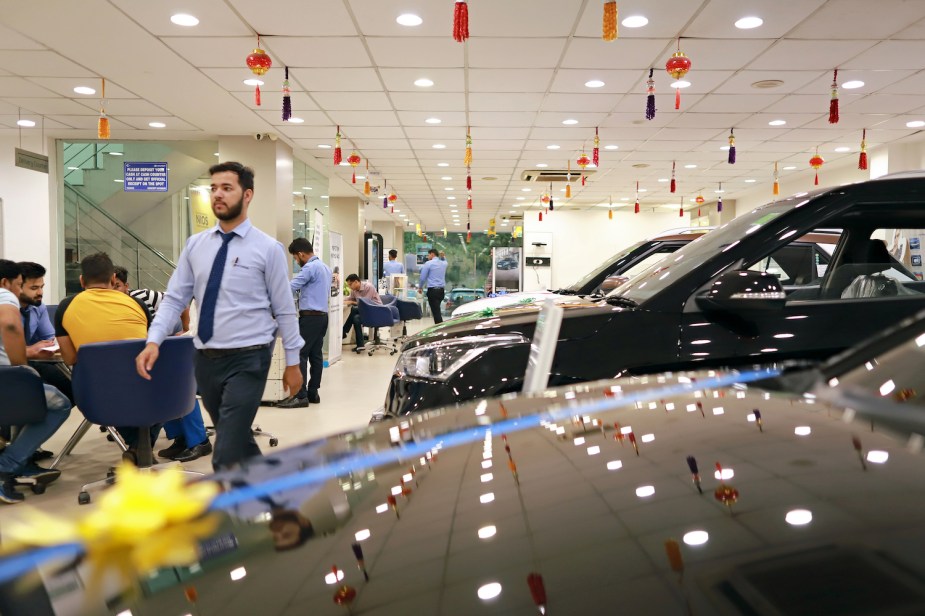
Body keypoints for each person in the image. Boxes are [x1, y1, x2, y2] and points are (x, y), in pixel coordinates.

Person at [136, 161, 303, 471]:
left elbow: (285, 310)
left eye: (227, 188)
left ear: (247, 195)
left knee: (224, 453)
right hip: (205, 359)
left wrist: (293, 362)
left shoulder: (268, 249)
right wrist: (154, 340)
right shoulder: (195, 245)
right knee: (236, 437)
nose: (218, 195)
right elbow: (175, 298)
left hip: (249, 358)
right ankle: (277, 500)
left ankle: (225, 515)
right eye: (213, 188)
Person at [55, 253, 160, 454]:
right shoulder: (137, 304)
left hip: (97, 392)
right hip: (147, 386)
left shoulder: (66, 307)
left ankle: (138, 452)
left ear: (82, 281)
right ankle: (139, 453)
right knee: (148, 396)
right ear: (113, 279)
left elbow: (70, 358)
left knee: (110, 395)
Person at [113, 266, 212, 461]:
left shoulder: (144, 297)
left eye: (116, 286)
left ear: (126, 286)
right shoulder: (111, 306)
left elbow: (180, 304)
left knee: (178, 384)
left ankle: (199, 442)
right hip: (159, 350)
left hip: (188, 350)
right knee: (157, 384)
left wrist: (185, 331)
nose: (112, 290)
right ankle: (180, 438)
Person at [0, 259, 71, 504]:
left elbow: (48, 338)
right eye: (20, 285)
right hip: (5, 377)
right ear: (6, 282)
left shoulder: (35, 307)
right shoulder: (5, 294)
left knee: (38, 397)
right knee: (60, 402)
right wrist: (23, 371)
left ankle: (19, 458)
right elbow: (10, 325)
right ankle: (7, 465)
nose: (20, 290)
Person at [280, 238, 331, 409]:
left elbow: (291, 286)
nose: (296, 261)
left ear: (301, 254)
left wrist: (272, 292)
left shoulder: (310, 267)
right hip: (322, 317)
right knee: (316, 355)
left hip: (310, 318)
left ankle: (300, 396)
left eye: (295, 258)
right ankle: (313, 393)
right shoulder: (325, 267)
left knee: (300, 353)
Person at [342, 273, 382, 352]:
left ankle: (344, 331)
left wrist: (352, 302)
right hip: (365, 312)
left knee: (354, 309)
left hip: (375, 311)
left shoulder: (368, 287)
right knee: (356, 319)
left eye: (350, 284)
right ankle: (360, 345)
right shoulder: (354, 290)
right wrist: (341, 300)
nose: (349, 287)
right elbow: (350, 298)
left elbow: (365, 303)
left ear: (356, 282)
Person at [419, 248, 448, 324]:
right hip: (441, 291)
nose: (428, 256)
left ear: (432, 254)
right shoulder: (443, 264)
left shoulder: (428, 263)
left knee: (436, 312)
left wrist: (420, 287)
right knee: (437, 310)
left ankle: (440, 328)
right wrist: (443, 256)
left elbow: (422, 278)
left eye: (428, 255)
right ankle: (439, 326)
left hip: (433, 291)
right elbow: (445, 261)